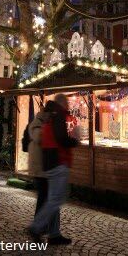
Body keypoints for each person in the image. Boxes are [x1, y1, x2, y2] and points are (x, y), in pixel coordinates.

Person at [28, 94, 79, 245]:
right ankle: (36, 227)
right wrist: (74, 140)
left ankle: (54, 233)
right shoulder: (56, 116)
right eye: (67, 102)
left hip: (49, 163)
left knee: (54, 199)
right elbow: (60, 138)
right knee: (55, 199)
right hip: (55, 162)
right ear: (62, 103)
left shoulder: (52, 116)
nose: (69, 105)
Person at [28, 101, 55, 216]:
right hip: (40, 167)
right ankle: (37, 225)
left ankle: (40, 225)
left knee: (45, 196)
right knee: (44, 196)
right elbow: (39, 138)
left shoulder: (42, 122)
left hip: (44, 166)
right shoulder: (38, 123)